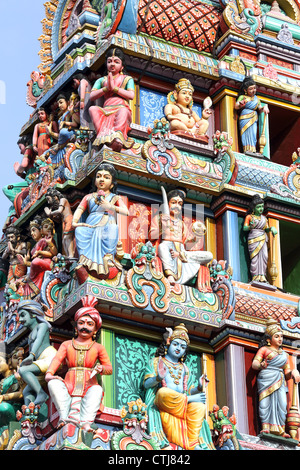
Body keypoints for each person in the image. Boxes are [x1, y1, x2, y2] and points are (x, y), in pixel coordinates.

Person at [45, 296, 113, 432]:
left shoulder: (98, 347)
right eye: (81, 323)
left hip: (89, 384)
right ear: (76, 327)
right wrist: (49, 374)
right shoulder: (67, 344)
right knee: (53, 384)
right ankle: (64, 417)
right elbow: (57, 360)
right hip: (69, 384)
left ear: (95, 330)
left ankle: (86, 422)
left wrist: (101, 368)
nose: (85, 327)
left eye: (89, 324)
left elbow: (109, 368)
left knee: (97, 390)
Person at [143, 323, 213, 450]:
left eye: (182, 346)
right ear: (168, 344)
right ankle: (188, 401)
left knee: (200, 407)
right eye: (175, 344)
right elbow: (146, 384)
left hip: (181, 407)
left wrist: (198, 386)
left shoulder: (185, 369)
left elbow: (187, 390)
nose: (178, 348)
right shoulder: (156, 362)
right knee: (163, 392)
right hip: (165, 404)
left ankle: (192, 443)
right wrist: (158, 377)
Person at [72, 163, 128, 280]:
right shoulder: (89, 197)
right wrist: (75, 222)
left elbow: (125, 211)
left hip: (107, 222)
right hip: (91, 223)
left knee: (113, 229)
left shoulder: (114, 197)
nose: (101, 179)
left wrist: (110, 206)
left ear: (112, 184)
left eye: (106, 177)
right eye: (99, 176)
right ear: (95, 181)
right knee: (80, 231)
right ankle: (85, 261)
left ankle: (108, 259)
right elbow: (80, 209)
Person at [149, 187, 213, 291]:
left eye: (180, 204)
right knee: (162, 247)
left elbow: (187, 244)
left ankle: (181, 256)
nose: (177, 206)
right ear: (168, 204)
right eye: (173, 202)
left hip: (182, 252)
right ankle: (170, 274)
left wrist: (196, 238)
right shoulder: (159, 218)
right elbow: (152, 236)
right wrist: (162, 229)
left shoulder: (181, 223)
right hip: (167, 249)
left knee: (209, 255)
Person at [252, 318, 300, 437]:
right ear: (269, 340)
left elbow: (287, 372)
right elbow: (254, 364)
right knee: (265, 403)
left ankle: (280, 429)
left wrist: (293, 372)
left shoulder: (284, 355)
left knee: (282, 405)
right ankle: (266, 426)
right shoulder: (264, 350)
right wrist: (261, 365)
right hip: (266, 378)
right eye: (276, 336)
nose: (280, 339)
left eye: (281, 337)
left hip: (280, 379)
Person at [89, 47, 135, 152]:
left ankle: (118, 136)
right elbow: (92, 96)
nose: (112, 64)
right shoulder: (101, 80)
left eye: (116, 62)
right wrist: (105, 89)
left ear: (122, 66)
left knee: (123, 111)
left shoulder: (127, 79)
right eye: (109, 61)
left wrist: (114, 89)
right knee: (92, 109)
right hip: (106, 109)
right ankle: (101, 137)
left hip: (120, 107)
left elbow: (131, 95)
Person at [17, 299, 57, 405]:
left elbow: (39, 340)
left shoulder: (42, 326)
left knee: (24, 370)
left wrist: (31, 356)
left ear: (34, 314)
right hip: (41, 362)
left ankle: (41, 394)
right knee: (26, 391)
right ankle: (30, 412)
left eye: (23, 315)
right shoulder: (30, 335)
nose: (20, 320)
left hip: (50, 358)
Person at [243, 194, 277, 283]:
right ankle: (255, 276)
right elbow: (244, 228)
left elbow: (266, 228)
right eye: (258, 207)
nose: (261, 209)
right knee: (255, 258)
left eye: (262, 206)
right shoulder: (249, 217)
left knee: (264, 256)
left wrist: (271, 229)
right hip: (253, 238)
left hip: (262, 237)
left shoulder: (264, 218)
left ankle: (262, 276)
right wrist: (251, 227)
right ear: (253, 208)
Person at [234, 77, 269, 153]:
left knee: (253, 134)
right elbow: (236, 106)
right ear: (245, 90)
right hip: (245, 117)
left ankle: (253, 149)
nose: (253, 91)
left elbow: (259, 109)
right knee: (246, 134)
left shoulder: (257, 99)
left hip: (253, 117)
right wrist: (241, 105)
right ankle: (246, 149)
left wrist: (264, 108)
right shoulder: (242, 97)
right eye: (251, 89)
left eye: (254, 88)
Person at [46, 93, 80, 166]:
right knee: (47, 153)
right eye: (58, 103)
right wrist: (51, 133)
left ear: (67, 102)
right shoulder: (60, 118)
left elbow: (77, 123)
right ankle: (58, 146)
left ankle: (58, 146)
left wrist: (71, 113)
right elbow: (60, 136)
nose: (59, 105)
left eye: (61, 102)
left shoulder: (70, 111)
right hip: (63, 139)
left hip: (71, 133)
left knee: (64, 132)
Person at [44, 188, 75, 258]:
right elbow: (58, 220)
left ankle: (71, 255)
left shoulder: (63, 200)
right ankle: (68, 256)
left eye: (49, 199)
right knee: (64, 240)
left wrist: (50, 213)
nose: (48, 202)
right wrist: (51, 217)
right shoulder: (57, 206)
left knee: (67, 237)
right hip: (64, 222)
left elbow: (60, 210)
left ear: (55, 197)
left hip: (69, 219)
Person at [0, 346, 24, 427]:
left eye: (0, 361)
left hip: (14, 409)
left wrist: (3, 397)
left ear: (9, 361)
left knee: (4, 408)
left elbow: (21, 393)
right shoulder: (2, 381)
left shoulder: (16, 376)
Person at [2, 226, 29, 292]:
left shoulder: (22, 244)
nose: (10, 239)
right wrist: (7, 252)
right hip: (11, 267)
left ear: (18, 237)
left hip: (20, 266)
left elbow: (24, 252)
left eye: (12, 237)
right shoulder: (8, 248)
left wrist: (14, 250)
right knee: (10, 286)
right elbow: (3, 257)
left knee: (19, 284)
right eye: (8, 238)